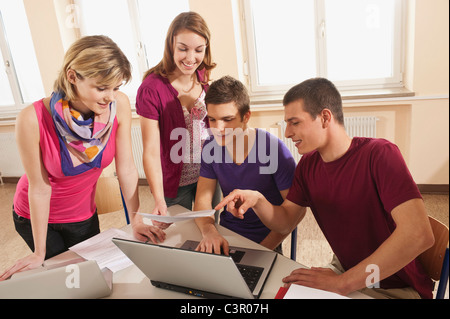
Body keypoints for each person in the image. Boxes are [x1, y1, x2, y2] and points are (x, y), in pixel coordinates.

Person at [215, 78, 435, 299]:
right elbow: (285, 222)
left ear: (325, 117)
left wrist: (342, 284)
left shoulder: (380, 154)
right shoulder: (307, 166)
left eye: (295, 122)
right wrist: (258, 200)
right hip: (346, 269)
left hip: (396, 286)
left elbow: (419, 235)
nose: (287, 133)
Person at [0, 35, 165, 281]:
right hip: (34, 216)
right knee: (65, 281)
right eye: (102, 87)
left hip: (82, 215)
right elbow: (39, 188)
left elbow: (127, 168)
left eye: (115, 87)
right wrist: (39, 252)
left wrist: (136, 220)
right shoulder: (31, 118)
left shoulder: (116, 105)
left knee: (92, 278)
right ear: (72, 76)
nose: (110, 96)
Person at [193, 76, 297, 255]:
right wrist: (210, 231)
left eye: (227, 119)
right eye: (212, 120)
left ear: (246, 116)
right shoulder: (210, 147)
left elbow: (294, 215)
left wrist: (261, 251)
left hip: (267, 240)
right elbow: (202, 199)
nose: (218, 128)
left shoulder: (273, 149)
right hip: (227, 233)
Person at [136, 12, 219, 225]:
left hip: (208, 177)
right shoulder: (151, 88)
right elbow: (151, 151)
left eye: (198, 50)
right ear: (171, 45)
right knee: (177, 238)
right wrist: (158, 199)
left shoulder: (204, 77)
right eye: (183, 49)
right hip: (175, 183)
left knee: (209, 232)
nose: (191, 58)